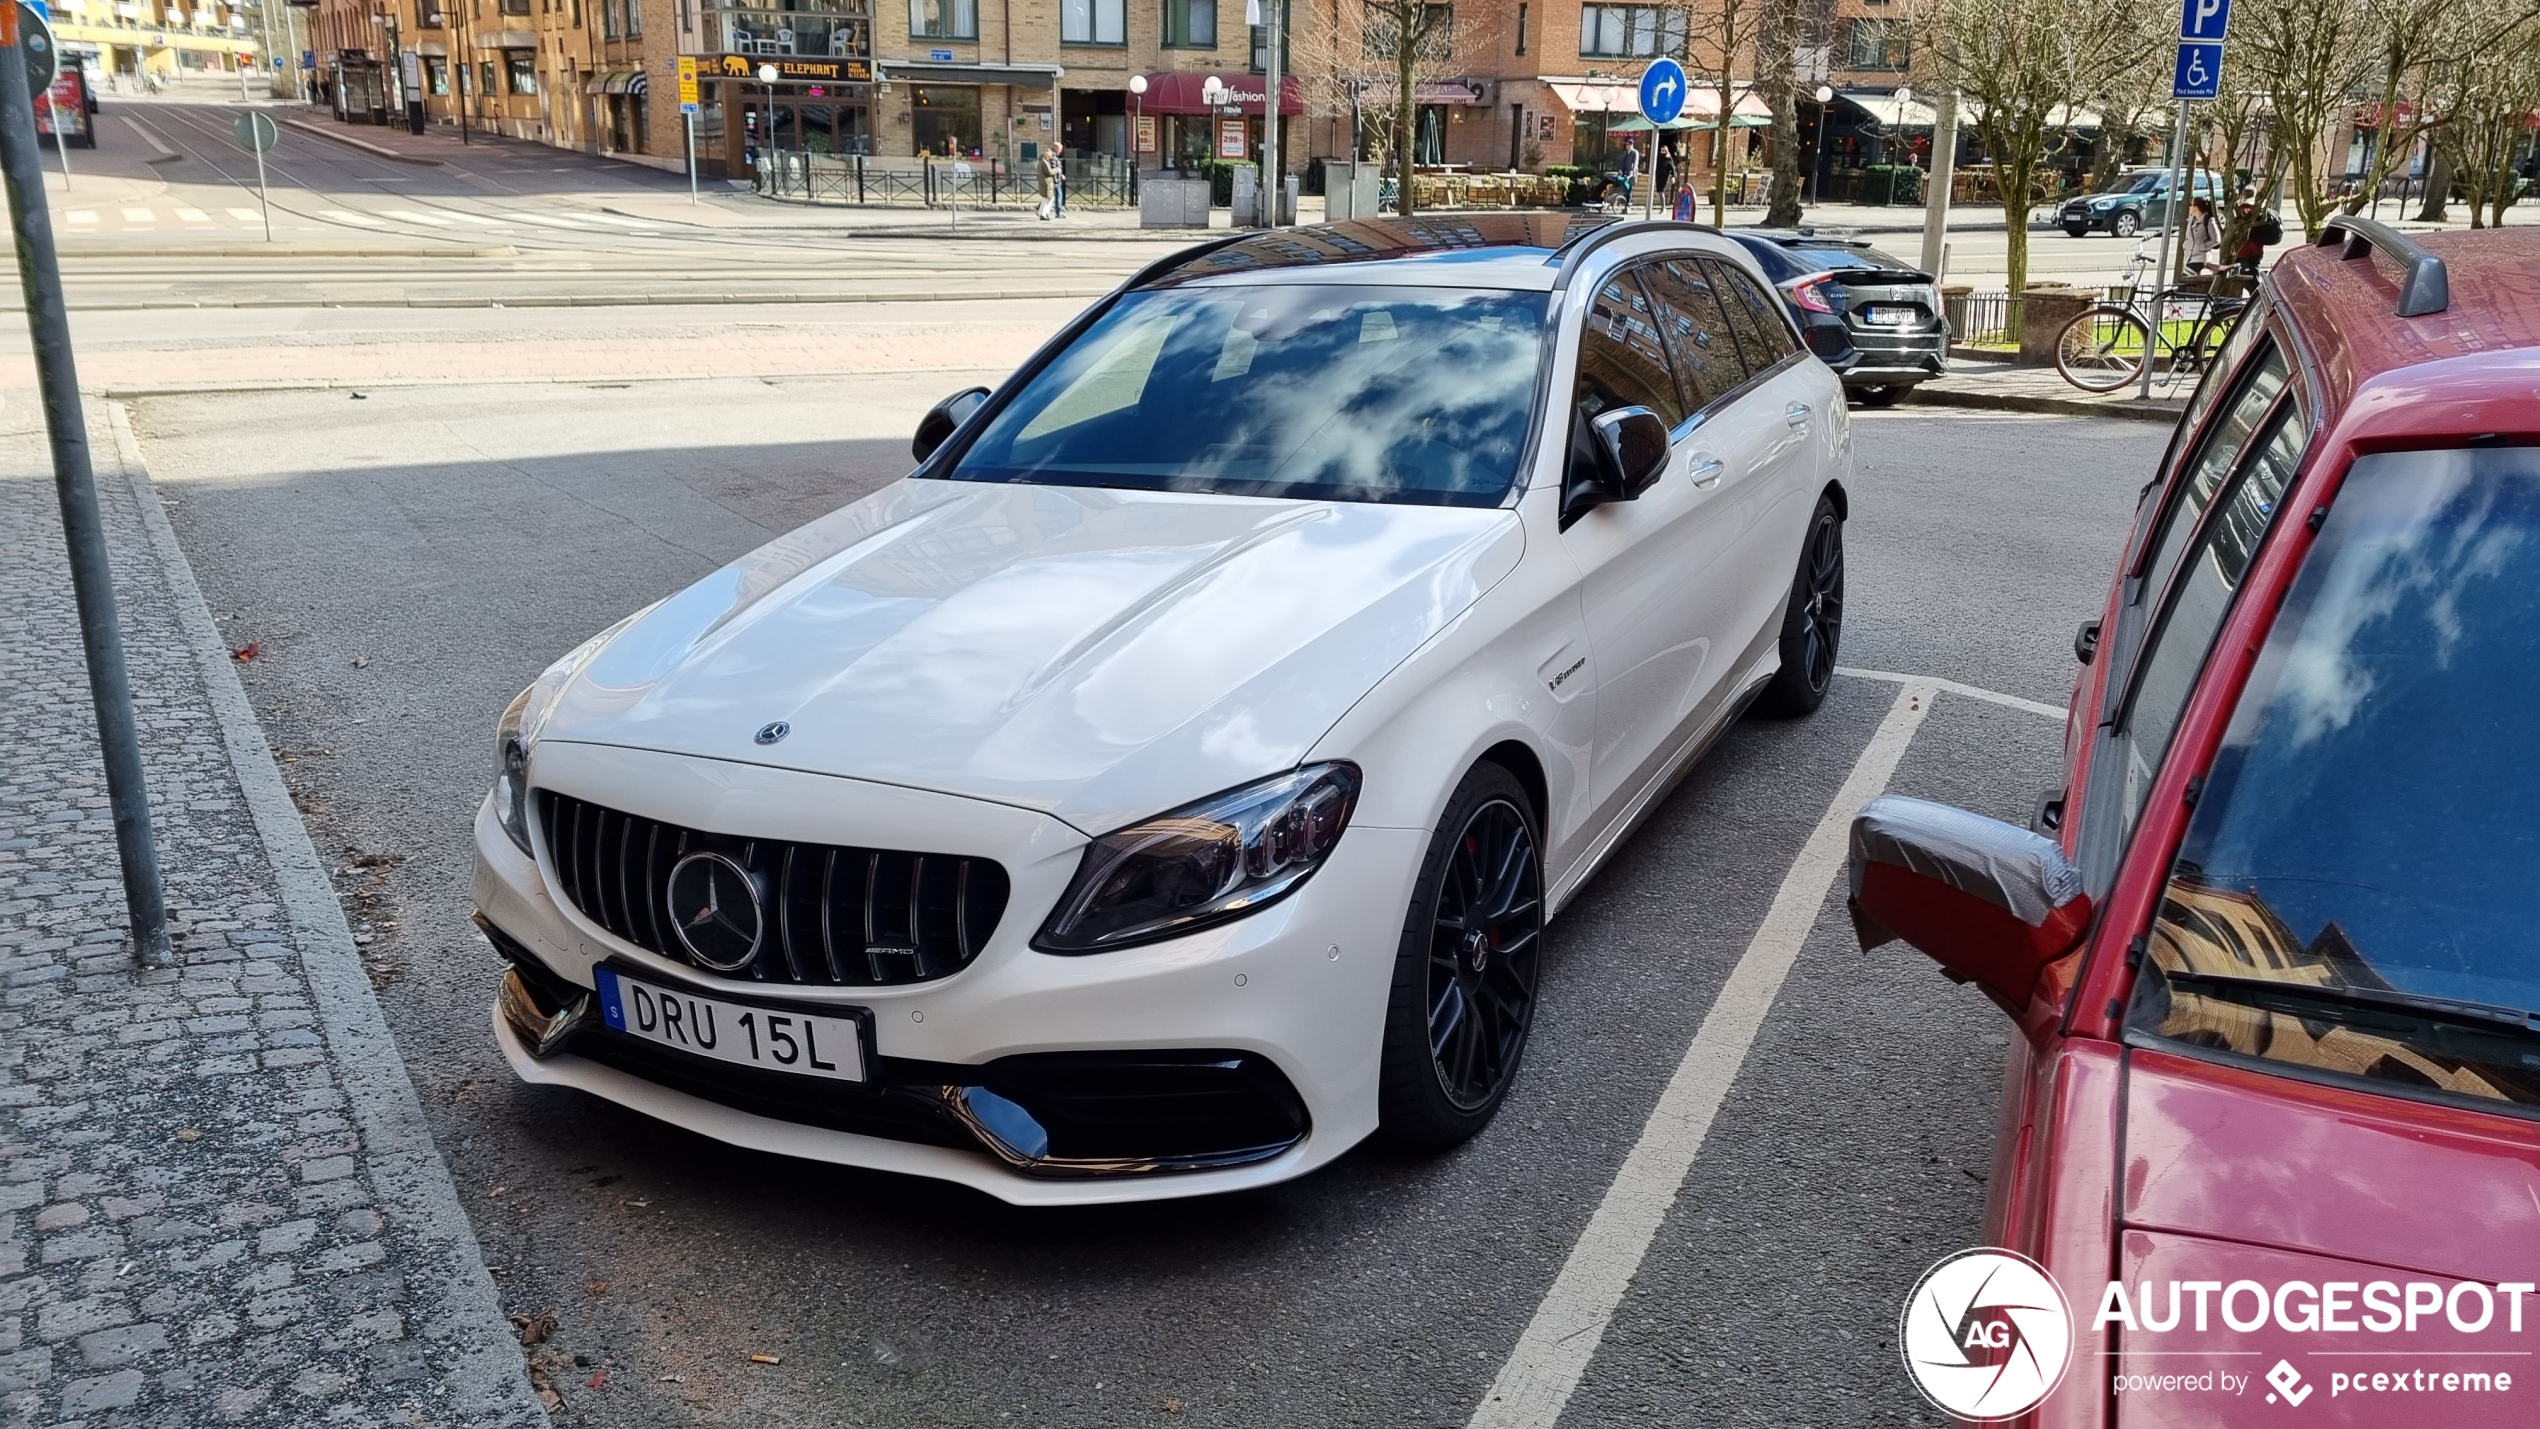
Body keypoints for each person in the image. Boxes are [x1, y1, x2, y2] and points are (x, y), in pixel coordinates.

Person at [2183, 195, 2221, 274]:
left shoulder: (2209, 220)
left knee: (2184, 280)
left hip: (2201, 259)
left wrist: (2202, 247)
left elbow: (2216, 240)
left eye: (2191, 205)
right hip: (2189, 258)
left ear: (2196, 207)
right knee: (2190, 284)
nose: (2189, 207)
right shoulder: (2191, 220)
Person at [1040, 145, 1066, 219]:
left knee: (1049, 197)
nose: (1060, 151)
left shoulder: (1052, 158)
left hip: (1054, 180)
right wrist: (1056, 180)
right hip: (1053, 181)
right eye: (1060, 149)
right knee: (1051, 197)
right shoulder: (1052, 158)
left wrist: (1060, 174)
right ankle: (1048, 213)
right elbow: (1050, 171)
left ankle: (1042, 212)